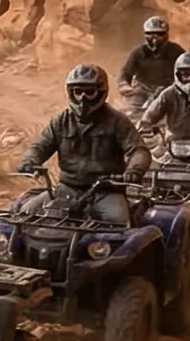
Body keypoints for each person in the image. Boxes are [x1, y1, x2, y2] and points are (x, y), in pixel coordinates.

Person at [18, 64, 151, 226]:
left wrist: (134, 170)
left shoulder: (117, 121)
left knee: (118, 222)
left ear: (101, 92)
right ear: (70, 92)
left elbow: (139, 150)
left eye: (89, 92)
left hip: (106, 192)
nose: (83, 98)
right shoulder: (61, 121)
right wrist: (30, 161)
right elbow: (40, 146)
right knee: (25, 213)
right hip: (66, 190)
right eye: (78, 91)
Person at [118, 15, 182, 104]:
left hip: (168, 91)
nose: (154, 38)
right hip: (142, 92)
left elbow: (187, 70)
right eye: (150, 34)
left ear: (166, 34)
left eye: (159, 34)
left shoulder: (176, 51)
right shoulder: (138, 52)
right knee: (130, 112)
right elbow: (126, 72)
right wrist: (124, 84)